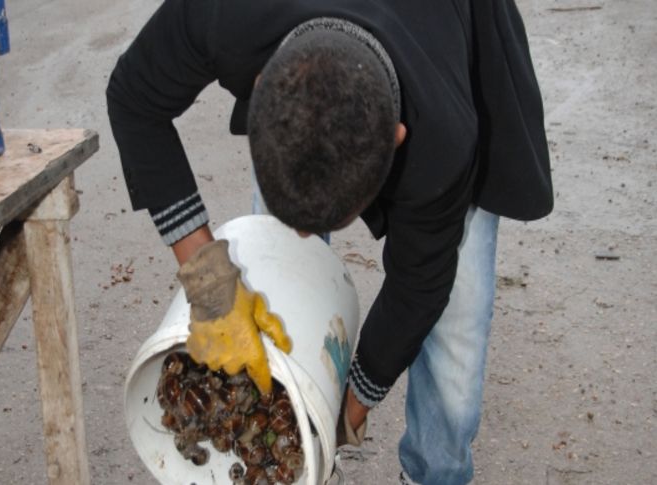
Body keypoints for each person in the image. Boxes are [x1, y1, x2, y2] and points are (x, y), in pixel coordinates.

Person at [106, 1, 552, 483]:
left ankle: (434, 474)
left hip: (446, 29)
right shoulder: (220, 14)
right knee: (278, 288)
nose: (302, 236)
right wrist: (210, 288)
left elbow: (419, 287)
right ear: (261, 91)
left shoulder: (444, 134)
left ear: (397, 138)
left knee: (455, 333)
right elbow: (133, 100)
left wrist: (347, 412)